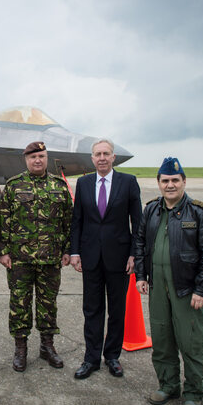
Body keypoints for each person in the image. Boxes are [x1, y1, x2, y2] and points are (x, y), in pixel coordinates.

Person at [135, 157, 203, 405]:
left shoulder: (199, 212)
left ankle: (194, 392)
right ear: (159, 183)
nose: (170, 185)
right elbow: (140, 243)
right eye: (165, 181)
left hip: (186, 290)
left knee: (190, 342)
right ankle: (169, 385)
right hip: (157, 288)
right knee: (161, 340)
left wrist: (201, 290)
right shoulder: (151, 210)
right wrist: (141, 275)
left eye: (175, 180)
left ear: (184, 181)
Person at [0, 141, 73, 372]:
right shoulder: (14, 185)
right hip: (20, 259)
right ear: (26, 160)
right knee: (20, 303)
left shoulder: (58, 186)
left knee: (48, 304)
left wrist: (67, 250)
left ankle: (47, 347)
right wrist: (3, 252)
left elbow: (68, 221)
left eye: (41, 156)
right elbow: (3, 221)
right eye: (32, 157)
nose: (37, 160)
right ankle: (21, 349)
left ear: (46, 158)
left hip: (51, 257)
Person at [70, 139, 142, 379]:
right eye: (98, 154)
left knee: (117, 310)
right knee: (92, 310)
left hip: (119, 258)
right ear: (92, 159)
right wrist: (75, 252)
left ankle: (112, 356)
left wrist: (134, 253)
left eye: (106, 154)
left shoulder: (128, 182)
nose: (102, 158)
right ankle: (91, 359)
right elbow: (77, 220)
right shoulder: (84, 183)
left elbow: (138, 222)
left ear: (113, 158)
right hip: (90, 257)